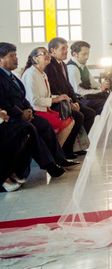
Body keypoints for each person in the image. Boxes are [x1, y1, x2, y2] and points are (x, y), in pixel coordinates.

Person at [0, 43, 72, 179]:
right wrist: (20, 113)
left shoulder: (13, 76)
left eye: (15, 55)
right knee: (31, 128)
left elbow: (23, 97)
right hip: (11, 117)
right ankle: (50, 165)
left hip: (25, 113)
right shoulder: (3, 77)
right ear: (0, 60)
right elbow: (4, 102)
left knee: (43, 125)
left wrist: (28, 110)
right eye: (11, 56)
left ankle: (57, 159)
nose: (16, 58)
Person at [45, 37, 96, 158]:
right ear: (52, 51)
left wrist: (75, 101)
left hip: (67, 100)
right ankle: (66, 150)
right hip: (56, 102)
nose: (66, 51)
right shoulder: (49, 66)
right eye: (63, 49)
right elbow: (53, 88)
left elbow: (68, 86)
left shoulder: (62, 64)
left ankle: (76, 146)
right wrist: (68, 103)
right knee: (78, 116)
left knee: (90, 113)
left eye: (66, 48)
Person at [22, 47, 76, 148]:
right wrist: (55, 99)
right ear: (35, 58)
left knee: (70, 120)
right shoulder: (31, 74)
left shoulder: (42, 73)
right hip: (36, 111)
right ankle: (56, 154)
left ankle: (56, 153)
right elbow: (34, 100)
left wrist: (61, 96)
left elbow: (46, 95)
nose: (48, 55)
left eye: (48, 53)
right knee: (67, 123)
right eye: (44, 53)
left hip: (46, 109)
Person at [67, 41, 109, 115]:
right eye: (84, 54)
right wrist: (99, 90)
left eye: (88, 54)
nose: (87, 57)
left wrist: (101, 86)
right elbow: (78, 91)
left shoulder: (83, 65)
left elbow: (92, 83)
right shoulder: (72, 68)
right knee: (106, 103)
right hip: (80, 99)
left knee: (109, 96)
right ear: (75, 54)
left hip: (87, 96)